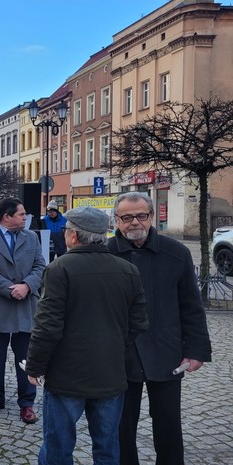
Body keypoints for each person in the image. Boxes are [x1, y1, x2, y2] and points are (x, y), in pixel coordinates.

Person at [25, 207, 148, 464]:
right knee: (107, 448)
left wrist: (35, 366)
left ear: (73, 235)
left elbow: (47, 325)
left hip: (66, 375)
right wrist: (114, 345)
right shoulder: (128, 270)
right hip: (110, 372)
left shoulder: (59, 268)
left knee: (58, 448)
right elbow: (138, 323)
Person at [108, 192, 212, 465]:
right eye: (127, 217)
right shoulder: (105, 254)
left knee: (168, 424)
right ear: (116, 220)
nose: (135, 222)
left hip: (166, 351)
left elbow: (191, 306)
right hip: (118, 354)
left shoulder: (176, 253)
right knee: (120, 426)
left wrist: (196, 350)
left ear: (152, 217)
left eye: (141, 215)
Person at [0, 197, 46, 423]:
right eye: (21, 214)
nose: (25, 218)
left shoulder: (31, 237)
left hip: (25, 304)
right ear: (7, 217)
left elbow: (40, 266)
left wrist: (27, 286)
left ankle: (27, 402)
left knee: (26, 358)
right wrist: (10, 289)